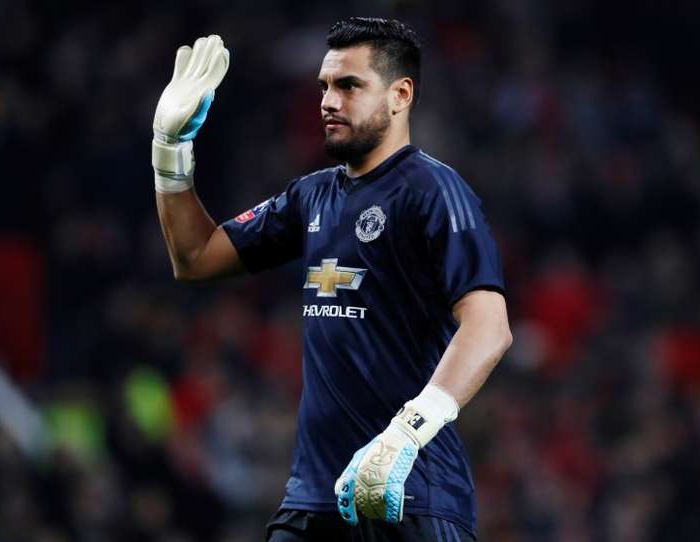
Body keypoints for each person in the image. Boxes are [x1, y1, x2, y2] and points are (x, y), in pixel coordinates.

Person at [151, 17, 512, 541]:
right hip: (312, 501)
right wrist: (170, 151)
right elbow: (195, 257)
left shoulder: (434, 190)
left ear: (400, 94)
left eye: (348, 86)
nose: (327, 101)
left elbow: (489, 326)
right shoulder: (310, 197)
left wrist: (406, 435)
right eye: (324, 86)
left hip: (411, 493)